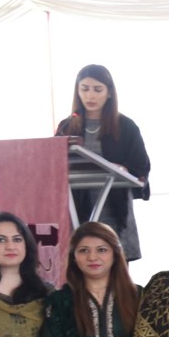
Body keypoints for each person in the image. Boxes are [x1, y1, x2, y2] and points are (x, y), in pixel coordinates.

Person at [55, 64, 151, 261]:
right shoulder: (67, 126)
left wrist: (123, 169)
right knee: (80, 264)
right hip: (77, 208)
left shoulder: (125, 126)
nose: (90, 95)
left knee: (115, 267)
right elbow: (53, 164)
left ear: (109, 93)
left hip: (114, 208)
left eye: (97, 89)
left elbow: (141, 166)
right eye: (84, 89)